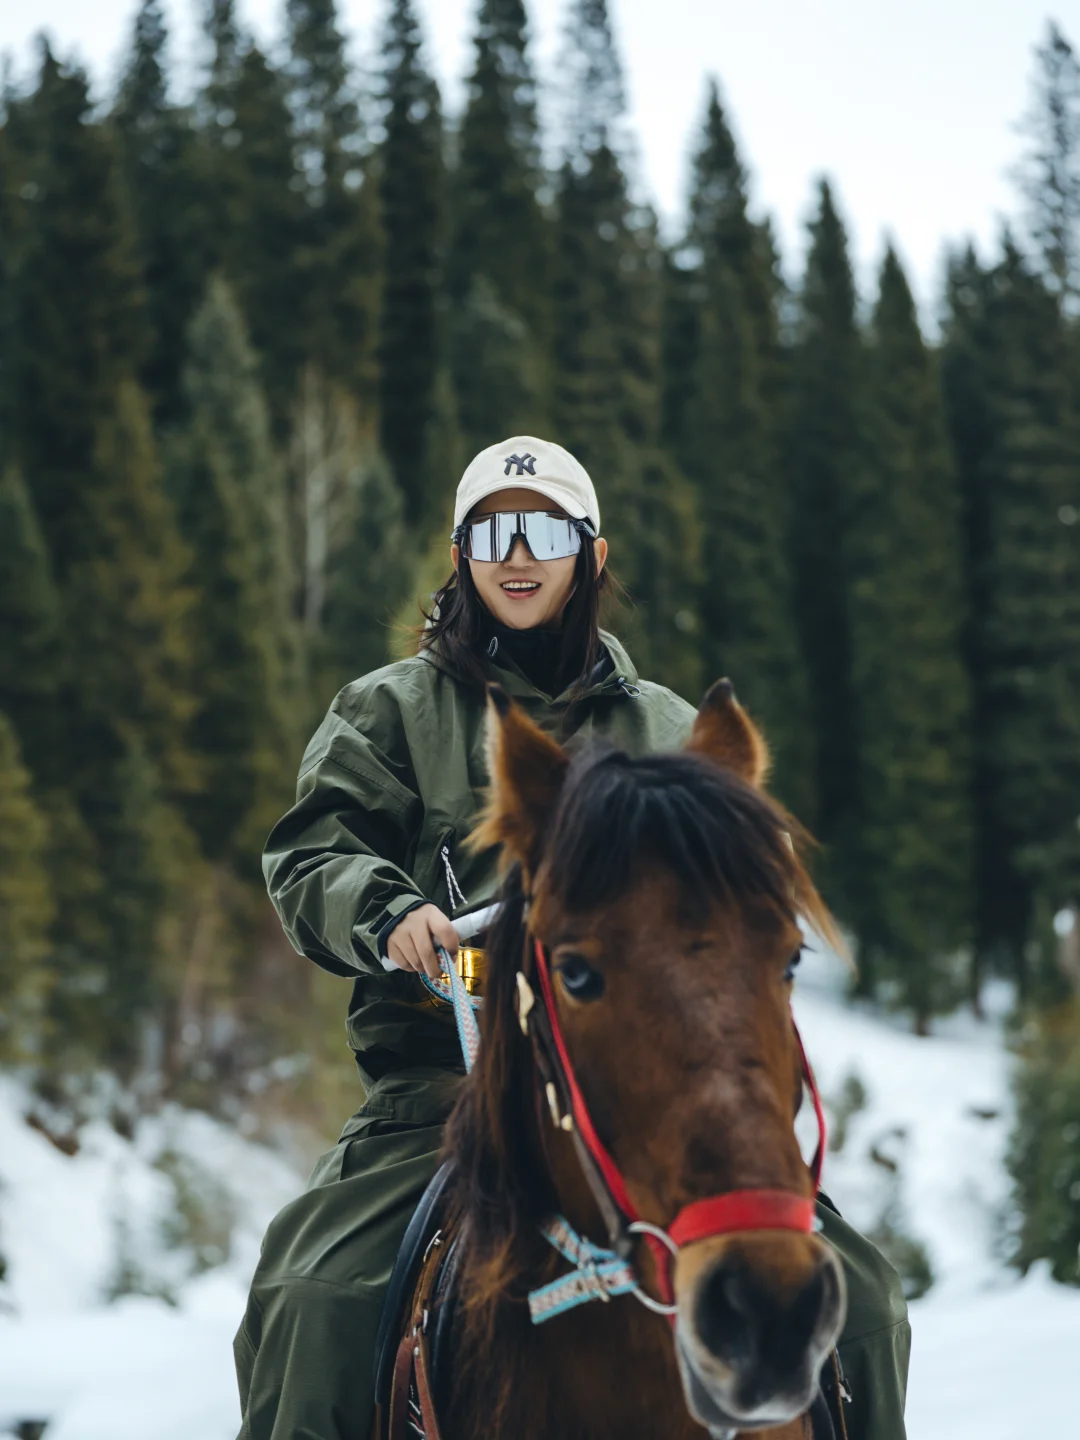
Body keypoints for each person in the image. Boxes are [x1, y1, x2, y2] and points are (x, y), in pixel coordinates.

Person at [234, 436, 910, 1440]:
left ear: (589, 555)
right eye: (492, 530)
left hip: (652, 1093)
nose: (518, 553)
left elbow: (729, 912)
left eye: (544, 529)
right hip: (443, 1097)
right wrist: (385, 913)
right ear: (461, 554)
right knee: (315, 1302)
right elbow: (312, 853)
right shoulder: (387, 712)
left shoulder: (670, 728)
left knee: (863, 1306)